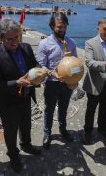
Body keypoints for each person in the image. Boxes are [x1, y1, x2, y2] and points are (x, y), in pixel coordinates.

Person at [0, 18, 41, 173]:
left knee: (26, 124)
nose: (14, 42)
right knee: (10, 131)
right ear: (1, 38)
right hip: (9, 102)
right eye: (9, 39)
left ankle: (26, 144)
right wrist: (16, 83)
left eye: (16, 38)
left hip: (26, 96)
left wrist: (41, 71)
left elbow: (34, 65)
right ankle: (13, 156)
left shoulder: (26, 48)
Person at [36, 12, 77, 149]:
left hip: (66, 84)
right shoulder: (44, 44)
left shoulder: (71, 43)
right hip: (51, 83)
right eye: (59, 27)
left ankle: (62, 129)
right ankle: (47, 133)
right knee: (49, 109)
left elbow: (76, 63)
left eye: (64, 27)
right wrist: (52, 73)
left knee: (64, 108)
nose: (62, 30)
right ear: (52, 26)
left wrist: (76, 76)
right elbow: (40, 65)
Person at [82, 18, 106, 144]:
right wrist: (105, 64)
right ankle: (88, 132)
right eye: (105, 29)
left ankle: (102, 128)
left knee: (105, 107)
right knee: (91, 109)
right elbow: (89, 62)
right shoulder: (90, 43)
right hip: (95, 83)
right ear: (98, 29)